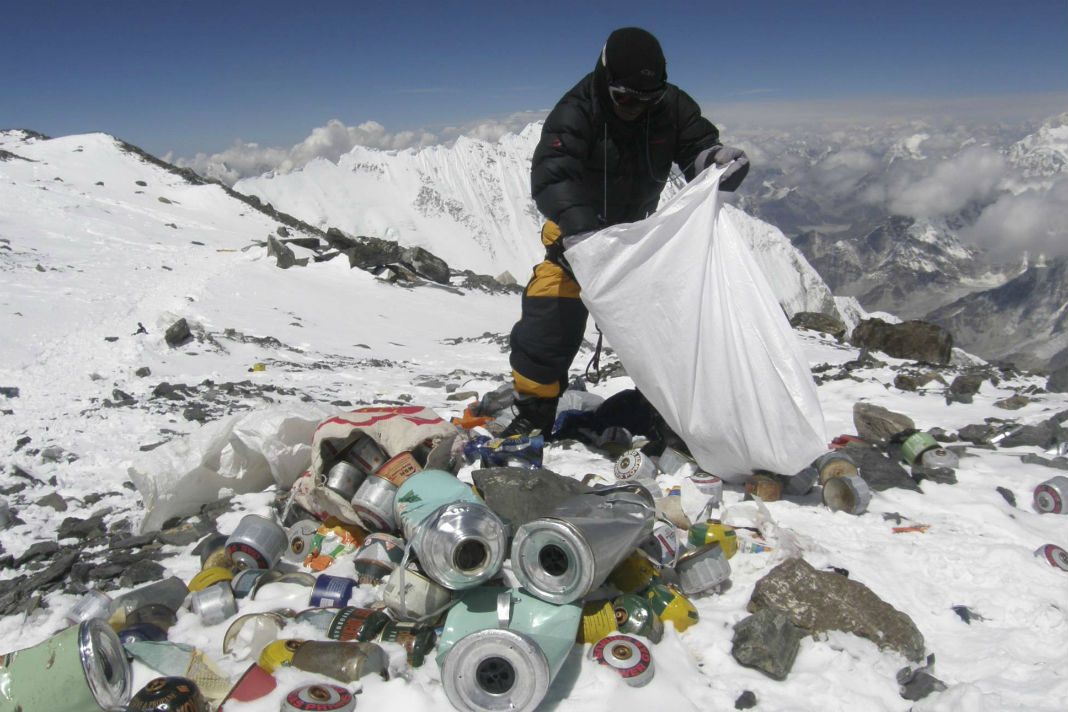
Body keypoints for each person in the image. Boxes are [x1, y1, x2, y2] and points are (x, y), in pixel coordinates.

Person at [502, 26, 750, 439]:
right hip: (575, 243)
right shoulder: (576, 111)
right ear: (605, 79)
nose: (636, 108)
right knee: (548, 322)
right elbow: (552, 176)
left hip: (638, 242)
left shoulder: (671, 106)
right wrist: (582, 234)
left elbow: (696, 147)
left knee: (671, 327)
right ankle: (534, 413)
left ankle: (667, 412)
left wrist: (714, 162)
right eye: (625, 98)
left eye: (647, 99)